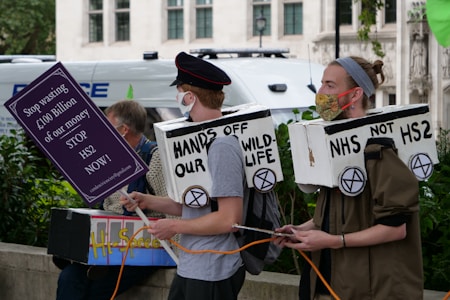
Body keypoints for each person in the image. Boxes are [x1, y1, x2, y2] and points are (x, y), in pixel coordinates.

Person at [275, 56, 423, 299]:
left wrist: (332, 241)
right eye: (322, 84)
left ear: (355, 95)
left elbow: (395, 228)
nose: (321, 92)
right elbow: (337, 214)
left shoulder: (381, 148)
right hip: (330, 287)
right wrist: (301, 230)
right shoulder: (333, 145)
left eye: (330, 85)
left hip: (373, 291)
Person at [120, 51, 246, 300]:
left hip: (212, 269)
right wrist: (148, 201)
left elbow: (229, 219)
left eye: (178, 91)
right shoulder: (205, 139)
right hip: (193, 265)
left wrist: (174, 226)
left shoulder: (221, 145)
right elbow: (200, 206)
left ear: (189, 97)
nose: (176, 98)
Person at [54, 100, 170, 300]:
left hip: (141, 248)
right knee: (68, 277)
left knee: (92, 293)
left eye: (106, 126)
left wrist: (145, 201)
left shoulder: (155, 157)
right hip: (105, 247)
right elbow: (105, 206)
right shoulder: (110, 157)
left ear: (123, 129)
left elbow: (171, 209)